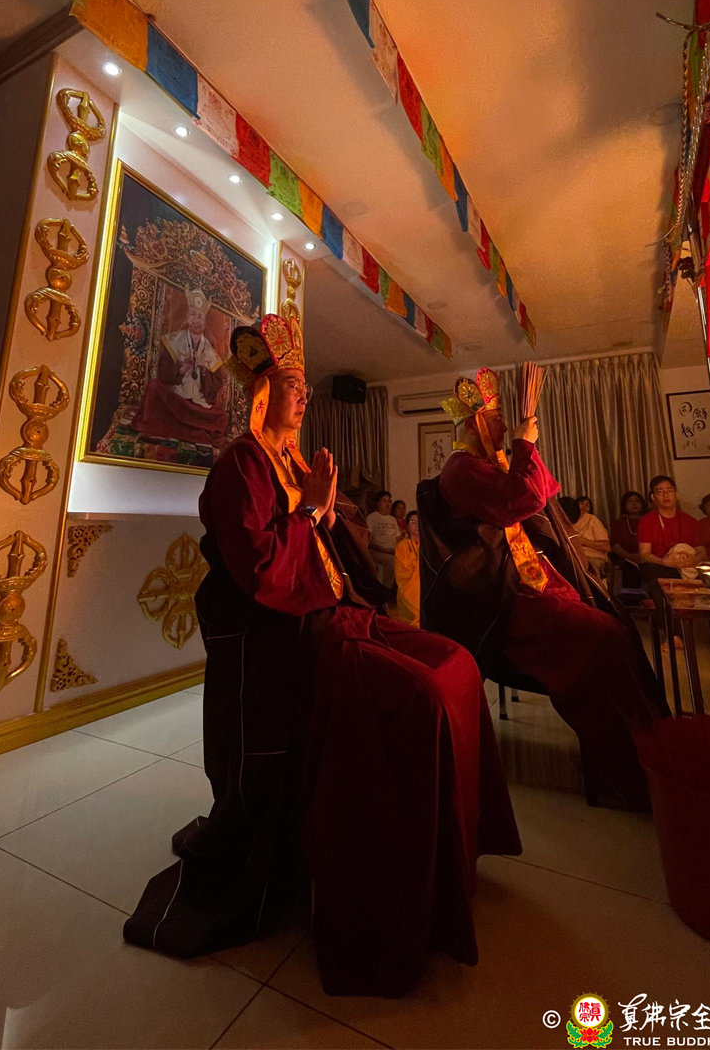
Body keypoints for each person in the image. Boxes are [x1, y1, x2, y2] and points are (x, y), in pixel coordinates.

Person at [124, 316, 520, 998]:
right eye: (293, 383)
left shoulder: (294, 461)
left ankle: (452, 862)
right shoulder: (240, 465)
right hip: (290, 633)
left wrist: (330, 516)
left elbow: (332, 549)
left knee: (457, 662)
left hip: (337, 613)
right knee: (422, 696)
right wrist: (309, 514)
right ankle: (391, 887)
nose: (305, 394)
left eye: (307, 384)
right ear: (261, 391)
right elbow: (258, 569)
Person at [419, 370, 666, 811]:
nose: (503, 425)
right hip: (501, 597)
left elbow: (545, 490)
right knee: (602, 639)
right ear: (474, 423)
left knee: (614, 625)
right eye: (495, 418)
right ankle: (626, 768)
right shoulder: (461, 469)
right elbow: (522, 500)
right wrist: (523, 447)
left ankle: (651, 749)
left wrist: (525, 448)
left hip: (531, 579)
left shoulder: (490, 461)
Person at [134, 287, 228, 444]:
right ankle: (189, 429)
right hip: (176, 398)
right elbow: (163, 374)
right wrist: (181, 370)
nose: (196, 320)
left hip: (197, 403)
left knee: (222, 416)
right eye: (193, 315)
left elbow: (218, 382)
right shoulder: (174, 341)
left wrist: (204, 372)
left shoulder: (209, 349)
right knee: (153, 387)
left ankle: (177, 427)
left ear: (204, 321)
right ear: (187, 317)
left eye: (200, 316)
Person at [637, 475, 707, 584]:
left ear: (676, 495)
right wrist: (664, 561)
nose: (666, 495)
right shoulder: (647, 521)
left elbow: (702, 552)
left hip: (688, 567)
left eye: (669, 491)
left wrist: (693, 560)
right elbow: (644, 555)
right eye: (660, 492)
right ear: (653, 497)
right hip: (660, 566)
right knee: (654, 572)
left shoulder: (690, 521)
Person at [610, 490, 647, 589]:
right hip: (625, 558)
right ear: (624, 505)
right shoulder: (618, 523)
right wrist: (630, 556)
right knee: (629, 568)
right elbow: (615, 546)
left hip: (646, 557)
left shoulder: (649, 521)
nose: (634, 504)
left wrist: (643, 556)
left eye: (637, 501)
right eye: (630, 501)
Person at [367, 490, 401, 588]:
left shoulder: (392, 519)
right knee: (391, 561)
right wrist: (384, 549)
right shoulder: (372, 518)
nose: (387, 504)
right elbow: (369, 539)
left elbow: (398, 537)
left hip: (393, 551)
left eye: (389, 501)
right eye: (384, 501)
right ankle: (386, 589)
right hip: (377, 551)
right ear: (378, 503)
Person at [572, 494, 611, 577]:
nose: (584, 506)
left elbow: (606, 547)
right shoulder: (568, 520)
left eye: (587, 505)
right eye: (581, 503)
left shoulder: (592, 520)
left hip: (592, 558)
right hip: (574, 558)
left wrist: (584, 541)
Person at [393, 510, 421, 625]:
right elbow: (401, 572)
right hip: (408, 587)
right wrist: (418, 563)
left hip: (426, 586)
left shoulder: (429, 545)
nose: (415, 525)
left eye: (418, 522)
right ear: (407, 526)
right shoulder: (402, 546)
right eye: (412, 522)